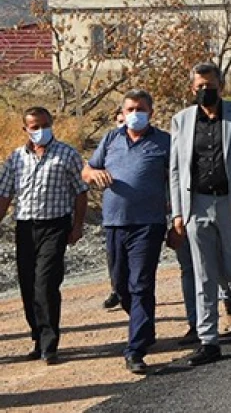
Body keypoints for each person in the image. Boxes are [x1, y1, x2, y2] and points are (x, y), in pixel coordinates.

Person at [170, 62, 231, 367]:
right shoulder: (181, 120)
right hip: (196, 203)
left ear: (221, 86)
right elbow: (175, 170)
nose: (204, 91)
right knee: (204, 273)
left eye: (209, 85)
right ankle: (208, 339)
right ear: (191, 89)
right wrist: (177, 213)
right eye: (199, 86)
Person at [82, 89, 171, 374]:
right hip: (114, 222)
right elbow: (87, 169)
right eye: (130, 109)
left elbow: (180, 177)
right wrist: (93, 174)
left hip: (149, 224)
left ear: (151, 112)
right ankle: (144, 327)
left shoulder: (165, 142)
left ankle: (135, 349)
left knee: (141, 284)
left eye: (140, 109)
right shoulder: (111, 138)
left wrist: (177, 215)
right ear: (123, 112)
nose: (135, 114)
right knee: (121, 286)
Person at [0, 107, 89, 365]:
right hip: (26, 228)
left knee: (46, 284)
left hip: (55, 226)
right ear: (24, 129)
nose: (40, 131)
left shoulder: (68, 154)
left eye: (44, 125)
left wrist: (77, 225)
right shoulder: (16, 158)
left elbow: (80, 191)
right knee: (28, 285)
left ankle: (50, 344)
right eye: (34, 127)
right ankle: (38, 337)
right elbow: (5, 195)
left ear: (52, 124)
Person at [102, 106, 126, 312]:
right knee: (115, 257)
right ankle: (117, 290)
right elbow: (90, 168)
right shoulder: (109, 142)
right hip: (114, 215)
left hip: (145, 215)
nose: (123, 125)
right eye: (119, 121)